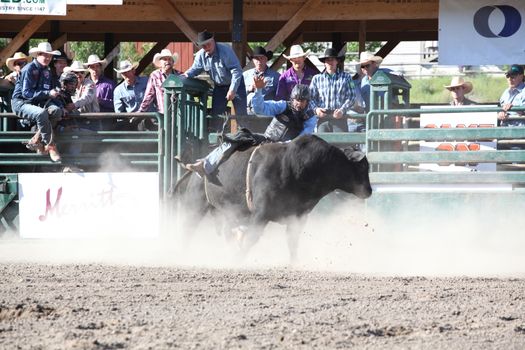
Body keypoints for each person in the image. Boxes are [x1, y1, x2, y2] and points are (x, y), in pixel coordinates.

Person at [184, 75, 315, 177]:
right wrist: (258, 90)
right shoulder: (282, 105)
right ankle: (205, 164)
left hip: (290, 149)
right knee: (240, 136)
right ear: (292, 99)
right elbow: (260, 108)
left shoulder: (310, 117)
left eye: (302, 101)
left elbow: (305, 137)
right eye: (297, 100)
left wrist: (285, 145)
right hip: (268, 139)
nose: (299, 103)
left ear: (307, 102)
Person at [10, 42, 63, 162]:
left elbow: (49, 92)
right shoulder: (28, 69)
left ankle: (36, 139)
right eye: (45, 55)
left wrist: (58, 103)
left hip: (38, 103)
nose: (48, 58)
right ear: (38, 55)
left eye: (49, 56)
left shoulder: (47, 71)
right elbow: (26, 93)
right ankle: (50, 145)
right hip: (20, 103)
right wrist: (48, 93)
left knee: (57, 111)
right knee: (41, 113)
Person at [184, 30, 247, 116]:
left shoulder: (225, 50)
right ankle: (217, 129)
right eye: (204, 46)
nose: (206, 47)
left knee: (241, 115)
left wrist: (233, 89)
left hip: (237, 85)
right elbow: (195, 69)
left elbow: (236, 70)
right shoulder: (200, 55)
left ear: (213, 40)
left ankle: (244, 129)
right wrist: (185, 75)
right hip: (219, 87)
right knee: (216, 115)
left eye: (208, 44)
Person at [309, 48, 356, 132]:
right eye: (327, 60)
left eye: (332, 59)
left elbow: (352, 96)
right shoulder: (316, 78)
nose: (330, 62)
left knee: (340, 144)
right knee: (321, 144)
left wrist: (342, 110)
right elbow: (310, 98)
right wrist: (316, 109)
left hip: (340, 117)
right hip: (323, 118)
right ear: (324, 62)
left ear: (337, 61)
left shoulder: (346, 77)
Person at [138, 48, 181, 114]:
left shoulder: (180, 75)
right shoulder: (155, 75)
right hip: (163, 114)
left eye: (170, 59)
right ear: (160, 62)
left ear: (173, 62)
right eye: (165, 59)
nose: (167, 61)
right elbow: (149, 95)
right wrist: (140, 112)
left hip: (179, 114)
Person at [243, 46, 280, 114]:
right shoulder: (245, 75)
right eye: (256, 58)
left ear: (266, 59)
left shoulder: (276, 77)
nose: (259, 61)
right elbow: (238, 94)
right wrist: (249, 88)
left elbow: (280, 97)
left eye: (261, 58)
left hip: (265, 112)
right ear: (253, 60)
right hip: (247, 111)